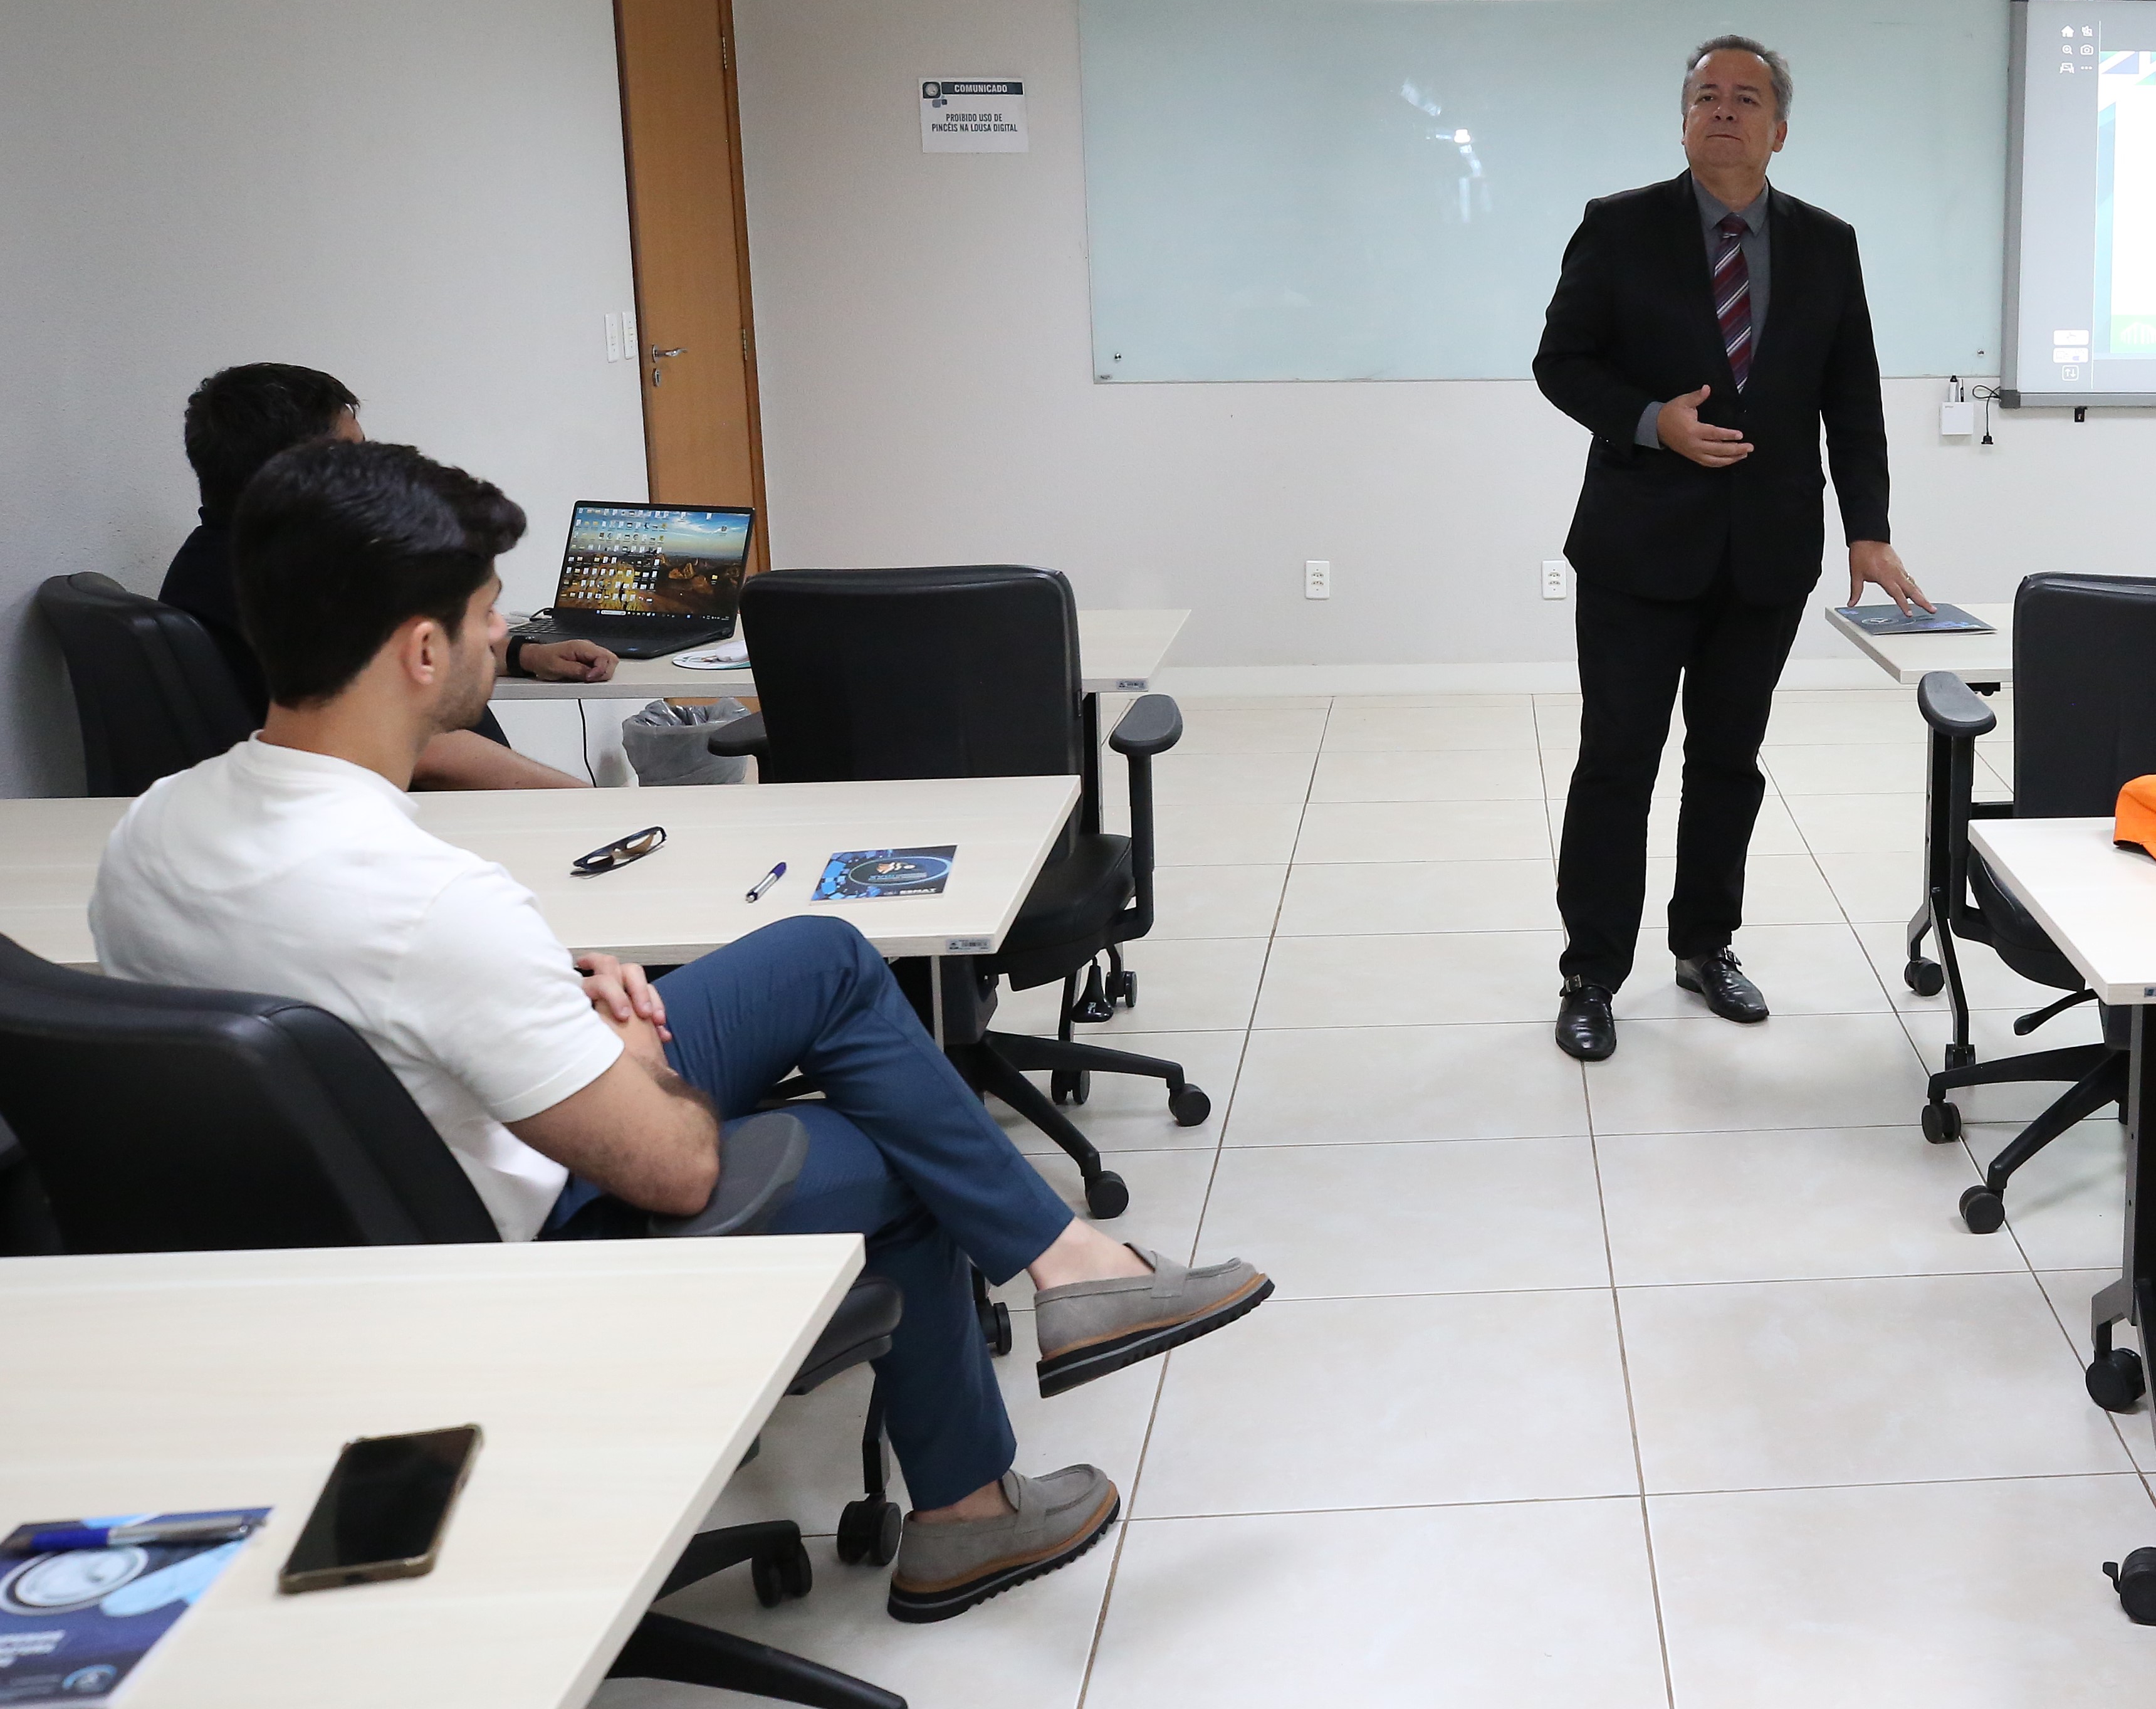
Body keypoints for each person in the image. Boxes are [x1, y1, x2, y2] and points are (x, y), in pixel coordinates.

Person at [92, 438, 1274, 1624]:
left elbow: (340, 997)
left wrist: (539, 985)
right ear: (421, 651)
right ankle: (968, 1515)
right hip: (500, 1234)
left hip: (315, 1241)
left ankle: (1069, 1267)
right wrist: (624, 1047)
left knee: (822, 952)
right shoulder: (434, 905)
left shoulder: (152, 832)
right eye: (488, 612)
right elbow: (674, 1168)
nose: (503, 635)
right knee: (905, 1145)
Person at [1531, 36, 1928, 1063]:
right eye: (1705, 95)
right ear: (1681, 121)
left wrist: (1869, 528)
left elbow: (1851, 396)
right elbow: (1560, 361)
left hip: (1766, 552)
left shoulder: (1826, 243)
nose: (1723, 110)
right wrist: (1649, 420)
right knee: (1617, 760)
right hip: (1636, 547)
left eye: (1745, 98)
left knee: (1727, 761)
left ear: (1778, 130)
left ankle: (1704, 944)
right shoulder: (1618, 226)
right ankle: (1590, 971)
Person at [161, 363, 609, 789]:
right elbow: (424, 750)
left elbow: (413, 650)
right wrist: (595, 802)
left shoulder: (239, 562)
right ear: (300, 472)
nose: (370, 471)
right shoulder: (286, 587)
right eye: (354, 454)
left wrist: (526, 655)